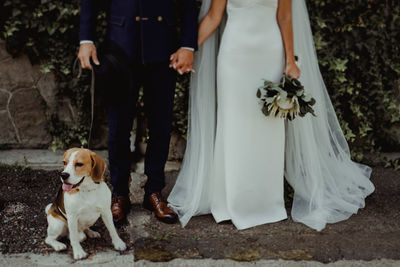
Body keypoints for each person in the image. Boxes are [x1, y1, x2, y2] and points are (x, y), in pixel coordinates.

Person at [168, 0, 375, 231]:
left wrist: (290, 61)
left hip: (269, 54)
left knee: (268, 127)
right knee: (234, 126)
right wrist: (187, 48)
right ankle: (230, 200)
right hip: (234, 55)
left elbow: (285, 17)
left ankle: (264, 202)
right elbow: (214, 17)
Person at [78, 0, 198, 223]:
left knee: (161, 125)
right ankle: (119, 193)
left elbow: (188, 5)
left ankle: (154, 191)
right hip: (121, 45)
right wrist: (86, 39)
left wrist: (188, 45)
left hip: (164, 45)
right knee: (119, 128)